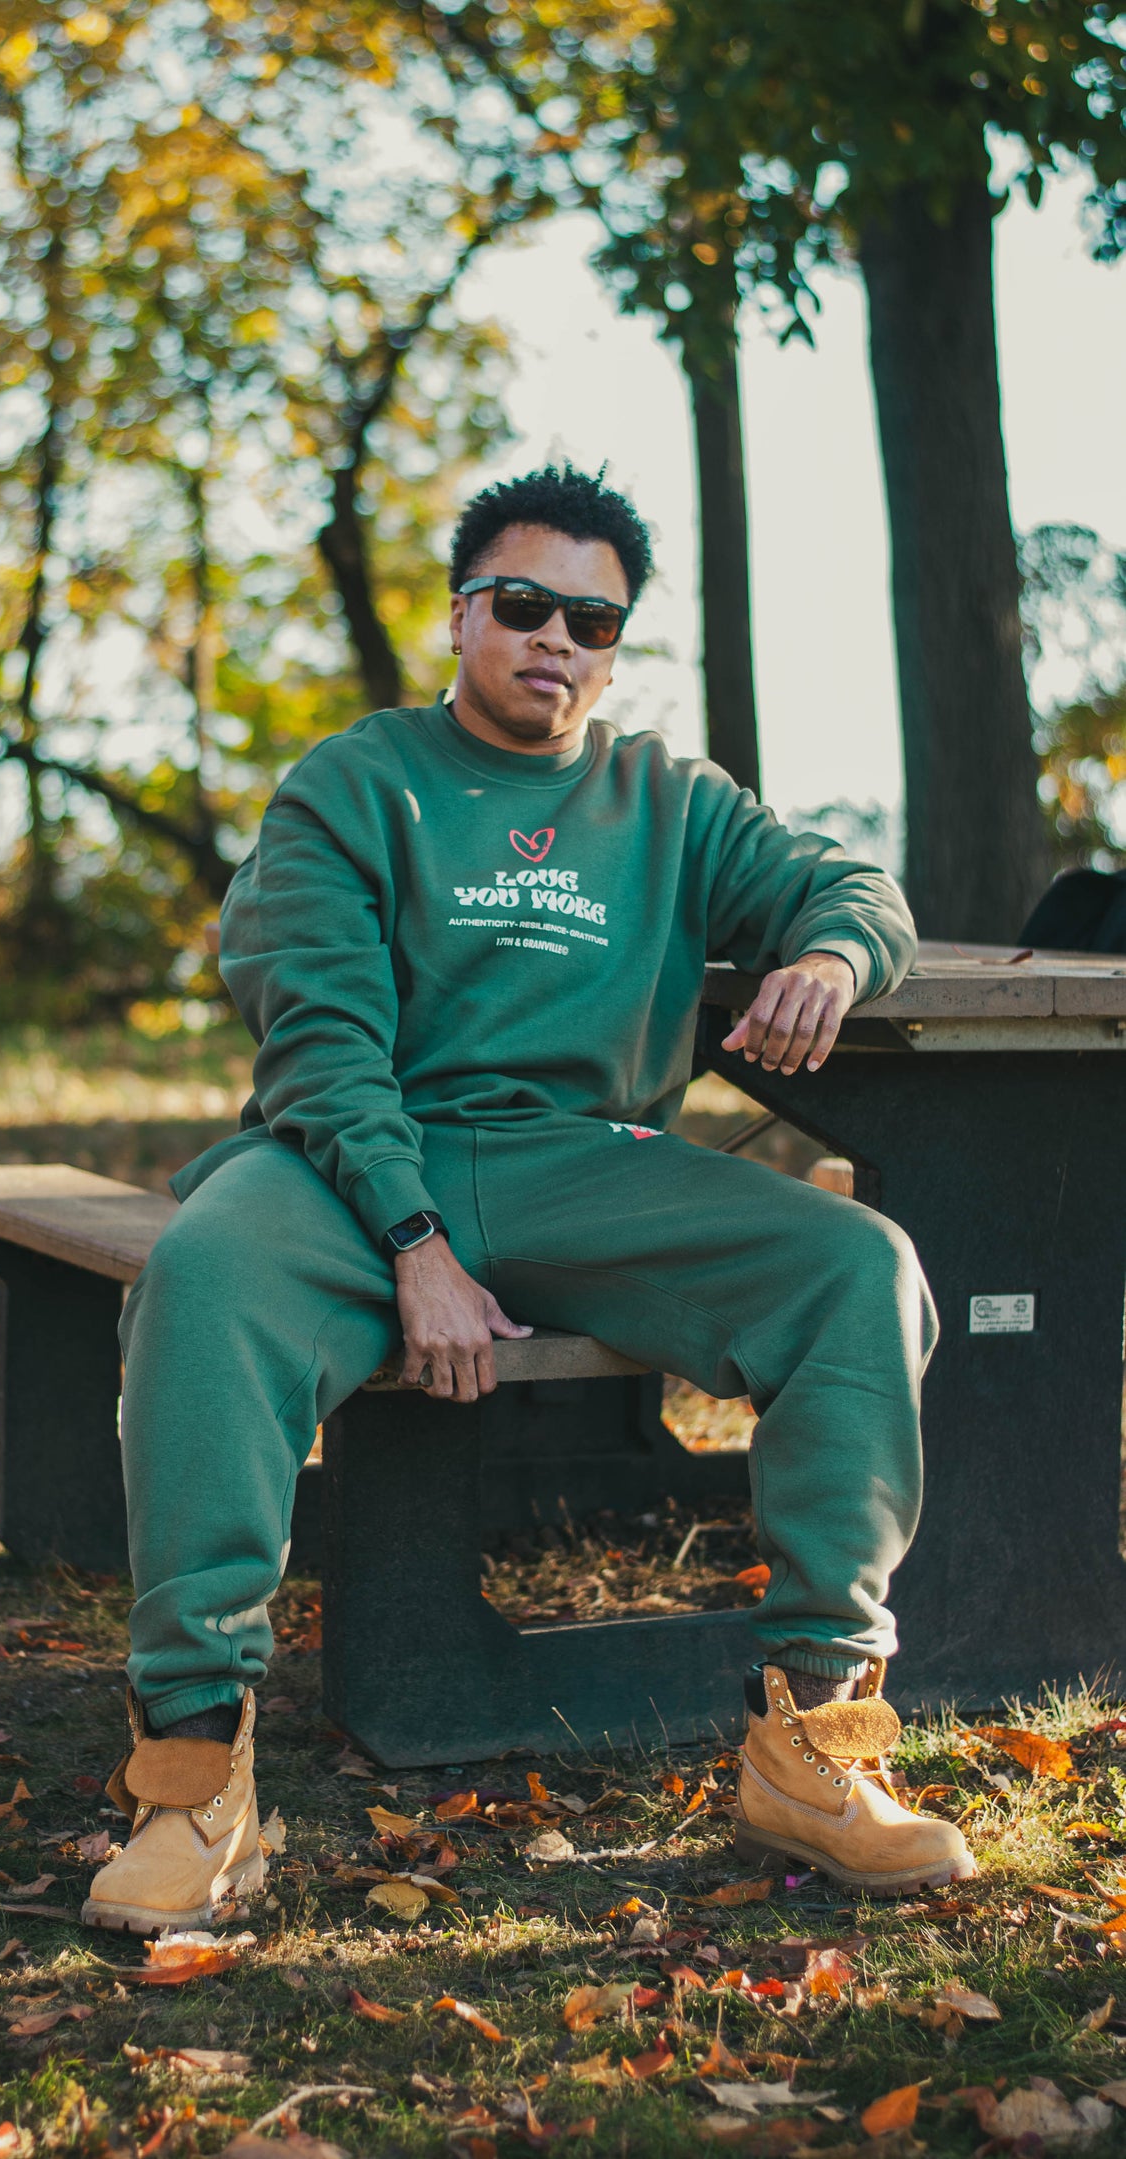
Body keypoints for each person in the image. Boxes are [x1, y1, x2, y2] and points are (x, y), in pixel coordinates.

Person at [82, 462, 974, 1934]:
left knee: (855, 1269)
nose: (555, 639)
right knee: (204, 1281)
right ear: (460, 617)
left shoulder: (668, 801)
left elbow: (850, 886)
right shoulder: (353, 784)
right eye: (524, 605)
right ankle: (194, 1779)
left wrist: (826, 958)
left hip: (582, 1169)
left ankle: (812, 1746)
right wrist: (409, 1238)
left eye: (593, 620)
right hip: (355, 1157)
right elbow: (316, 1038)